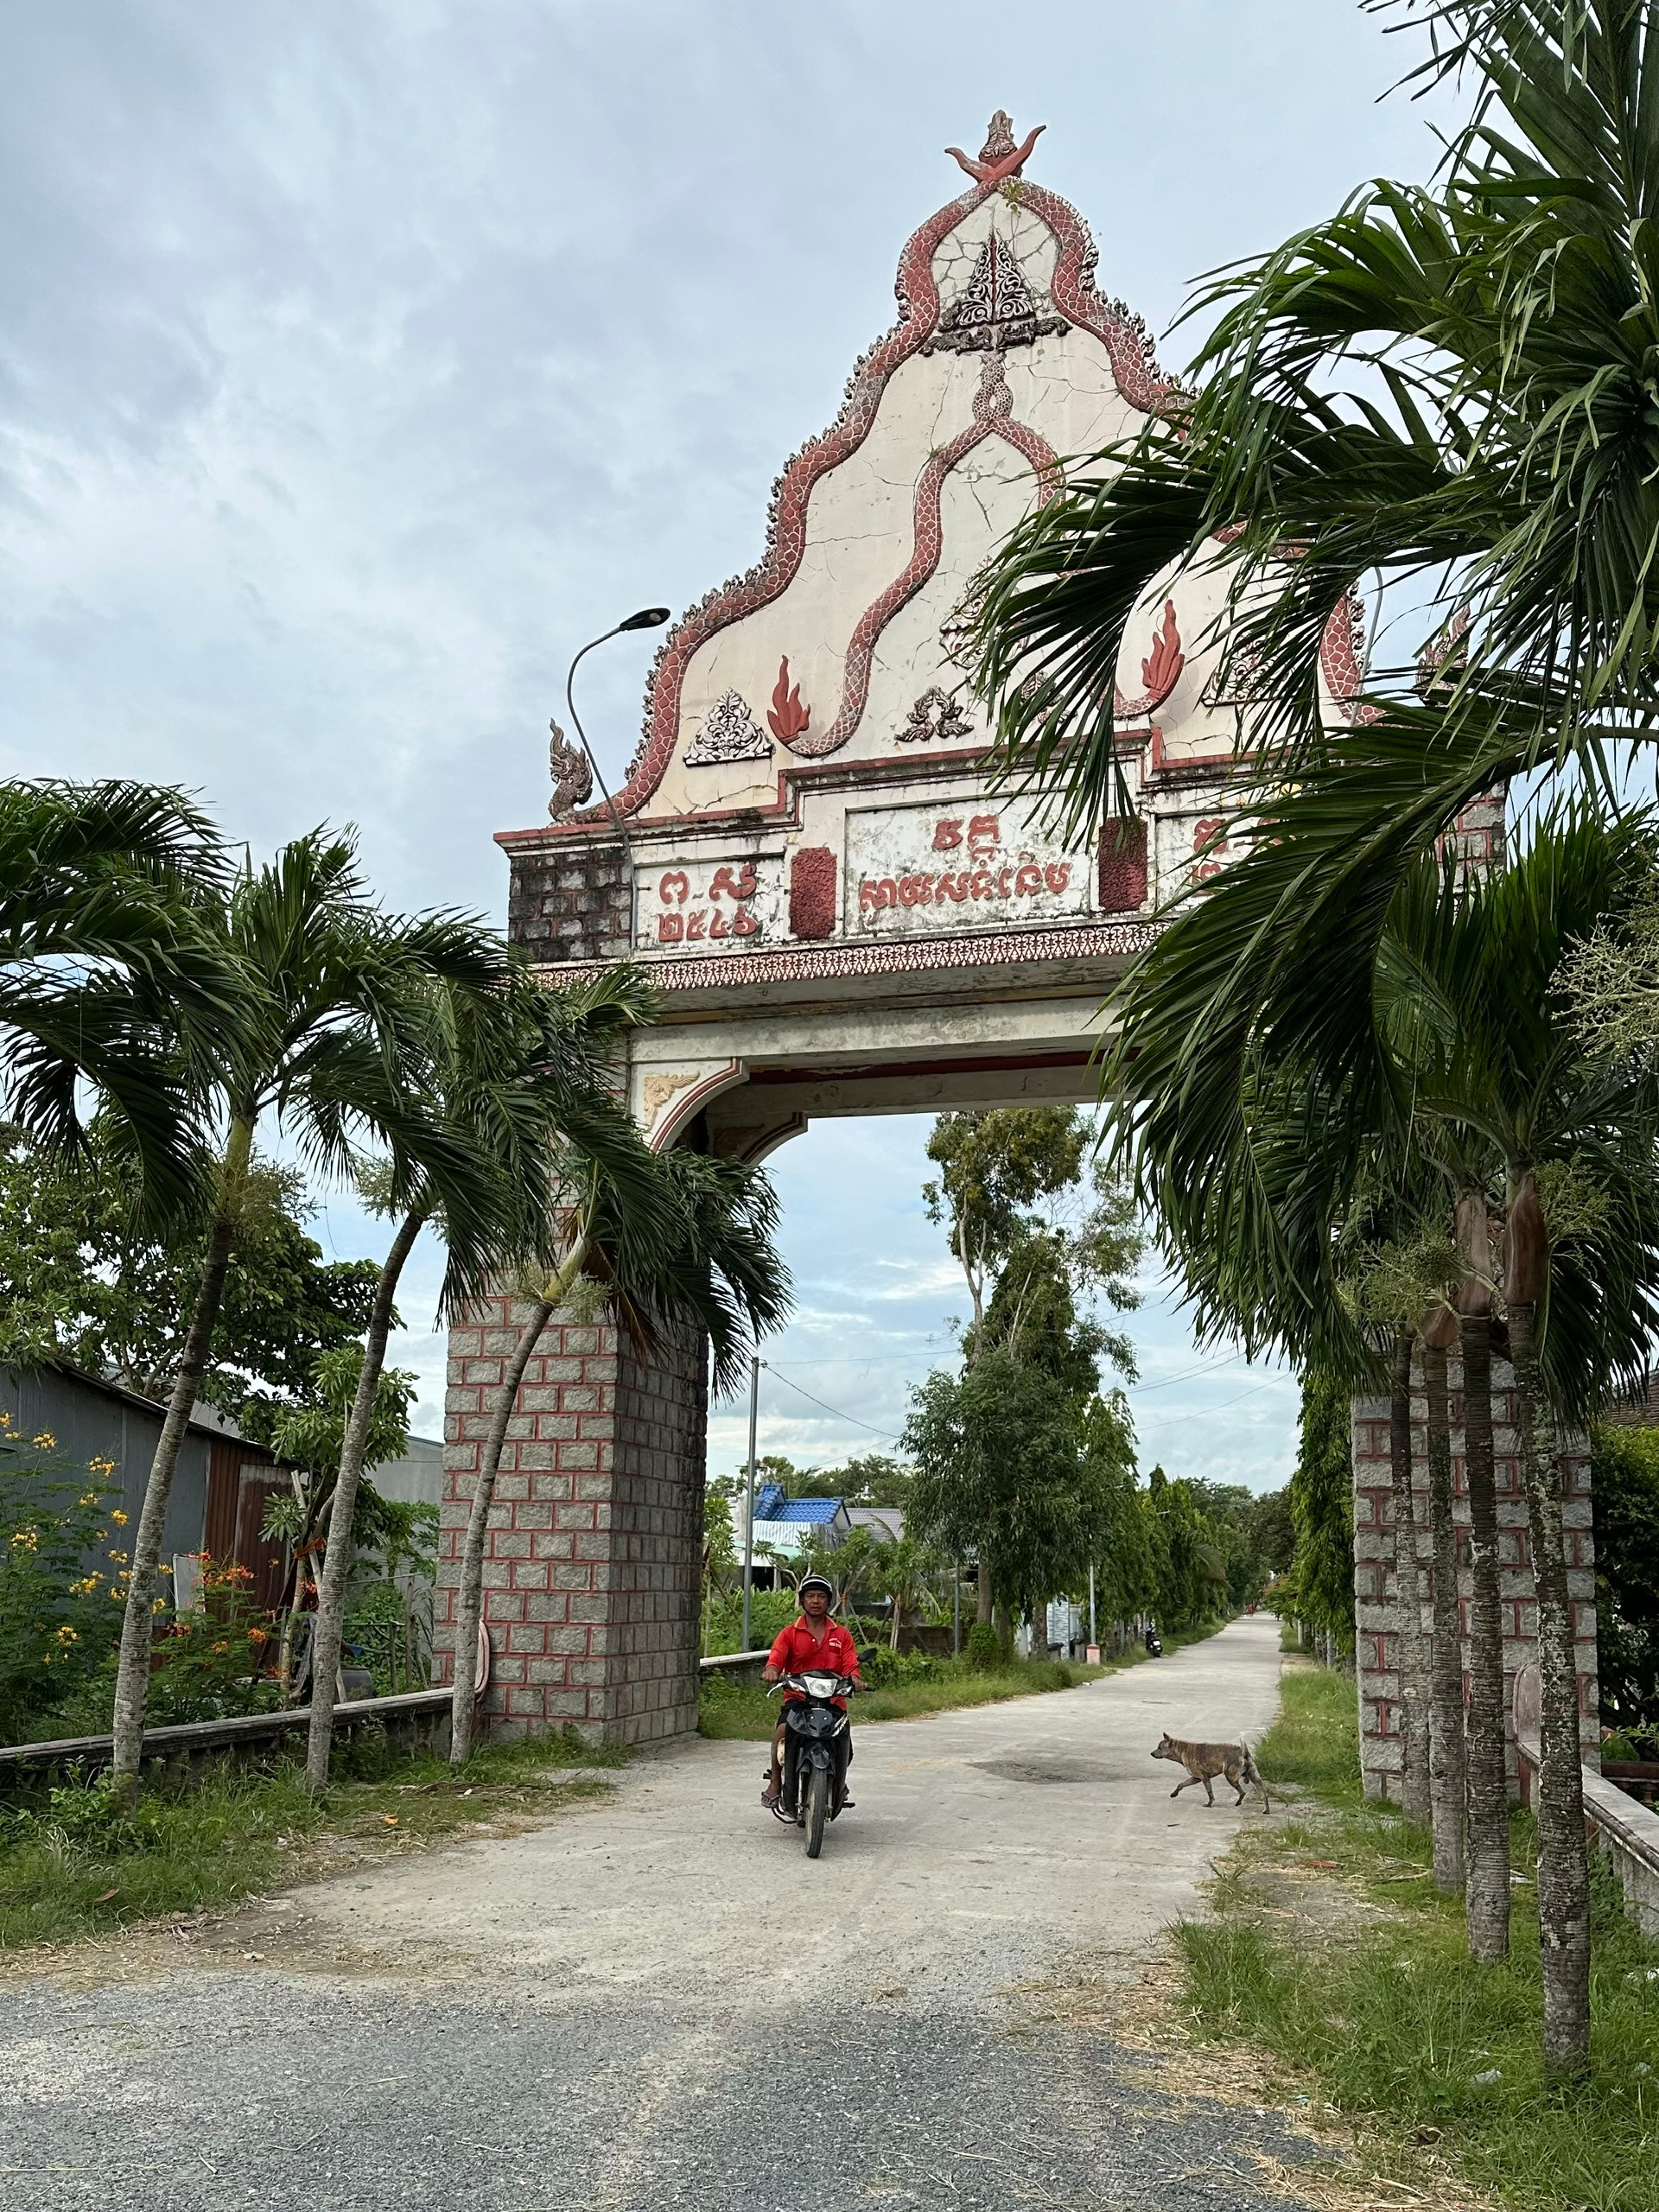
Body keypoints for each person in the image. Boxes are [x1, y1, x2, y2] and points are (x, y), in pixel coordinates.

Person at [760, 1572, 861, 1810]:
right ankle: (775, 1783)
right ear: (803, 1601)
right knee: (782, 1731)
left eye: (821, 1596)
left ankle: (838, 1783)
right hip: (799, 1699)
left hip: (833, 1701)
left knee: (844, 1741)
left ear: (828, 1601)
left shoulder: (842, 1634)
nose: (816, 1601)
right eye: (810, 1596)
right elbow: (776, 1658)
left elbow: (851, 1663)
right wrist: (772, 1670)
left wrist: (856, 1679)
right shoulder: (789, 1633)